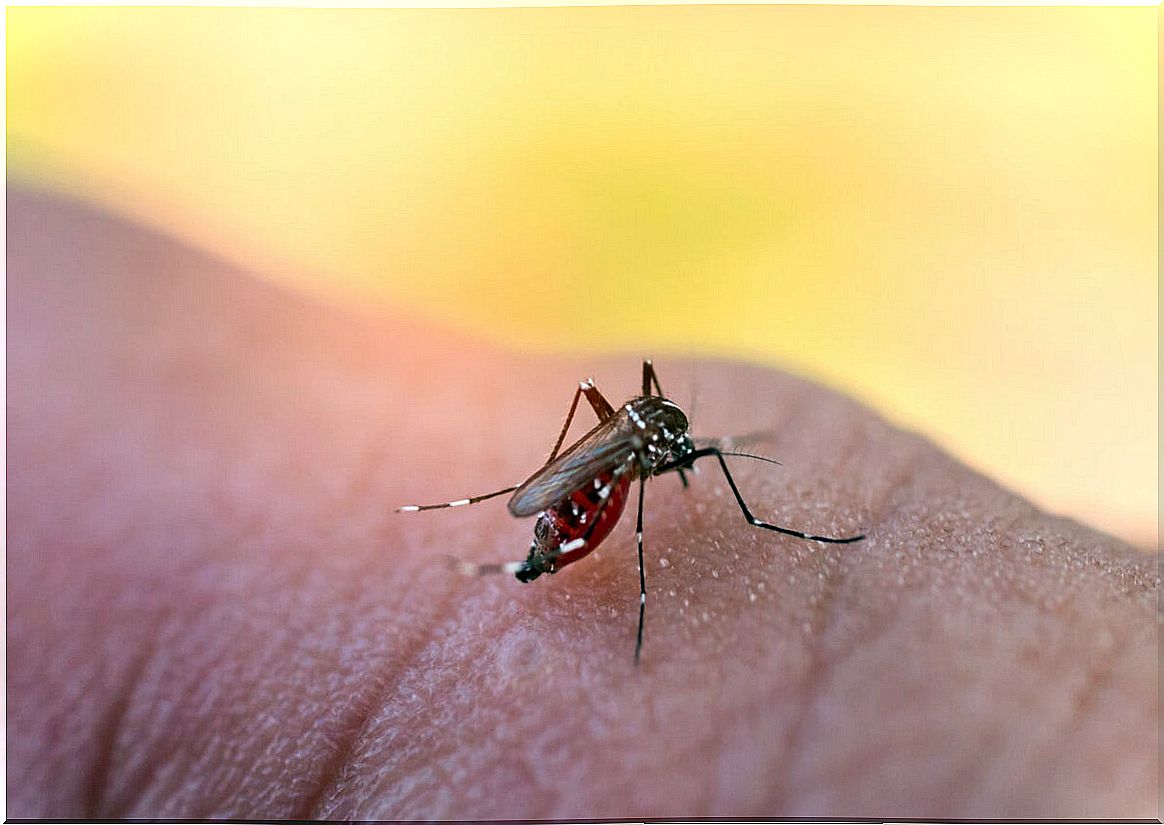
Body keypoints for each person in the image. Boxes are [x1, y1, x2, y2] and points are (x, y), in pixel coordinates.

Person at [7, 188, 1157, 819]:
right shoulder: (644, 460)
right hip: (578, 492)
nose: (700, 460)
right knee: (635, 471)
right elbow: (655, 462)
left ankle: (559, 505)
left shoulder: (668, 433)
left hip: (598, 471)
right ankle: (558, 517)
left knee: (648, 445)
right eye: (698, 450)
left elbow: (678, 443)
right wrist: (585, 500)